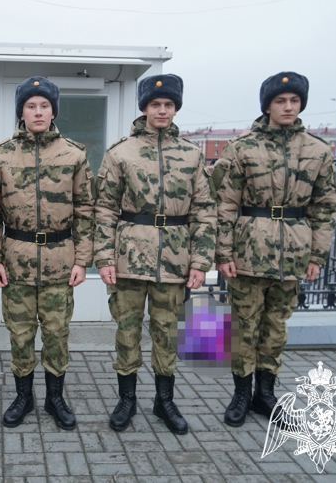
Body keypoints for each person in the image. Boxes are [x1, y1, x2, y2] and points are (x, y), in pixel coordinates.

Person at [213, 72, 336, 427]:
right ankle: (240, 394)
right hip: (249, 250)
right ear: (267, 105)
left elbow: (326, 207)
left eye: (294, 101)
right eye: (280, 101)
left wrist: (317, 255)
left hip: (293, 252)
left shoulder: (318, 150)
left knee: (276, 326)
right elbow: (224, 205)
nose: (287, 106)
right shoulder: (243, 148)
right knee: (243, 326)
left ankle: (264, 395)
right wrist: (223, 254)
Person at [94, 74, 217, 434]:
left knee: (167, 332)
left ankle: (164, 402)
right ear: (144, 108)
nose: (161, 110)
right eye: (155, 104)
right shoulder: (121, 152)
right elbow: (104, 209)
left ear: (175, 108)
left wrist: (200, 263)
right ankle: (126, 400)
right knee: (127, 330)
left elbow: (204, 212)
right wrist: (103, 258)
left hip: (175, 258)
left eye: (168, 105)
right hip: (129, 256)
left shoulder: (191, 155)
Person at [0, 77, 95, 430]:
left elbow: (85, 210)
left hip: (60, 259)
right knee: (19, 333)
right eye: (31, 105)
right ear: (21, 111)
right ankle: (23, 396)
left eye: (44, 106)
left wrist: (82, 260)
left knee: (56, 332)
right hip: (15, 259)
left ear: (53, 111)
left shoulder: (74, 154)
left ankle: (55, 398)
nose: (37, 112)